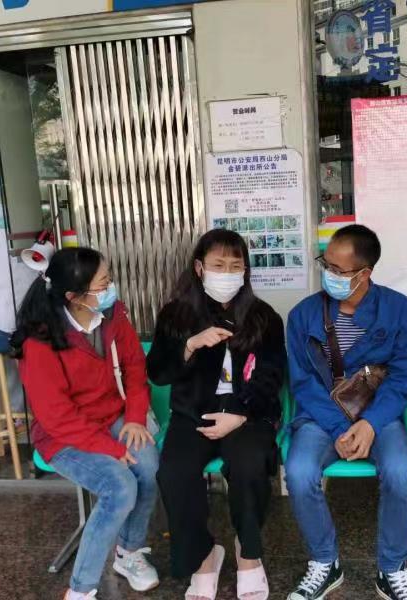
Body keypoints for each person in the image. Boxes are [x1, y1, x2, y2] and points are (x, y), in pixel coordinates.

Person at [285, 225, 407, 600]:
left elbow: (406, 376)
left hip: (380, 414)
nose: (328, 274)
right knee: (298, 471)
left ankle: (392, 568)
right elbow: (303, 383)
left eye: (338, 269)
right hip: (321, 417)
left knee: (400, 472)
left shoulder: (399, 311)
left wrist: (371, 423)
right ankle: (324, 562)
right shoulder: (303, 315)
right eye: (325, 264)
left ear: (365, 273)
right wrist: (337, 428)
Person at [13, 247, 159, 600]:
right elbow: (57, 416)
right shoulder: (40, 340)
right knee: (119, 487)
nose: (111, 289)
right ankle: (80, 589)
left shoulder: (112, 313)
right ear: (73, 296)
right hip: (63, 435)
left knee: (149, 466)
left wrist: (135, 418)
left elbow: (134, 367)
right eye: (104, 284)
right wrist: (110, 448)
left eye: (109, 280)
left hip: (112, 416)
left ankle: (128, 552)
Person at [148, 229, 286, 600]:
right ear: (199, 267)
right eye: (218, 265)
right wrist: (190, 345)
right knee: (174, 472)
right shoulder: (176, 315)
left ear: (245, 271)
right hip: (192, 415)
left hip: (247, 414)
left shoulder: (263, 317)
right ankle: (204, 557)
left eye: (235, 266)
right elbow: (158, 372)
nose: (227, 273)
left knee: (248, 464)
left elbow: (272, 375)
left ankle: (248, 555)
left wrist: (241, 413)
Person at [0, 150, 36, 413]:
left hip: (27, 281)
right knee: (4, 351)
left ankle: (38, 409)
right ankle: (15, 410)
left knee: (33, 350)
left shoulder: (27, 203)